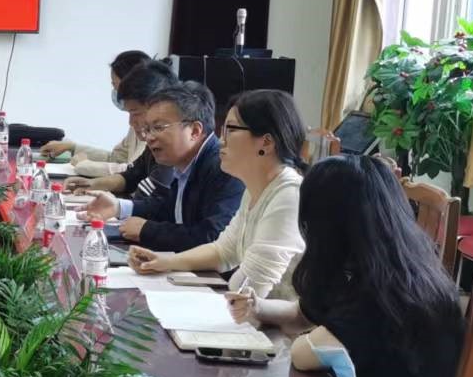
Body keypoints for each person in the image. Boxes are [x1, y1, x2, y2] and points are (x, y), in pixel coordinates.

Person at [229, 154, 465, 377]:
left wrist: (309, 337)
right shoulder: (392, 267)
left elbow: (304, 353)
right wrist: (258, 307)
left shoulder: (380, 296)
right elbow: (303, 315)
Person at [128, 89, 308, 299]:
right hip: (251, 310)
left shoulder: (289, 195)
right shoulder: (256, 189)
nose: (221, 140)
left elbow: (250, 288)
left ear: (266, 143)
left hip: (271, 317)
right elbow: (223, 251)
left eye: (230, 130)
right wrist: (164, 262)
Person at [84, 81, 241, 248]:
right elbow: (168, 209)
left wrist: (148, 230)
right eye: (147, 129)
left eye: (158, 127)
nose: (149, 137)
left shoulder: (224, 167)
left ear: (195, 131)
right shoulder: (185, 163)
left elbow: (214, 236)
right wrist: (118, 207)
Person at [42, 49, 158, 178]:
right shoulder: (136, 121)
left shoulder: (151, 124)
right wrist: (72, 147)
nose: (115, 92)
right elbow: (116, 158)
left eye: (116, 86)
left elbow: (131, 170)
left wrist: (84, 165)